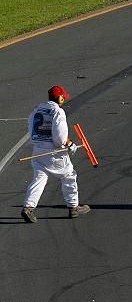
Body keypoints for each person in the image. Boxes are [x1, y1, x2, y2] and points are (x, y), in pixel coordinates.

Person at [21, 85, 90, 223]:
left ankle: (28, 207)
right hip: (54, 152)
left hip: (38, 149)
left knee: (39, 179)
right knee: (69, 176)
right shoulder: (58, 111)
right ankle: (73, 207)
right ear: (60, 98)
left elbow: (30, 127)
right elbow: (60, 137)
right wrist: (69, 144)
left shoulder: (37, 109)